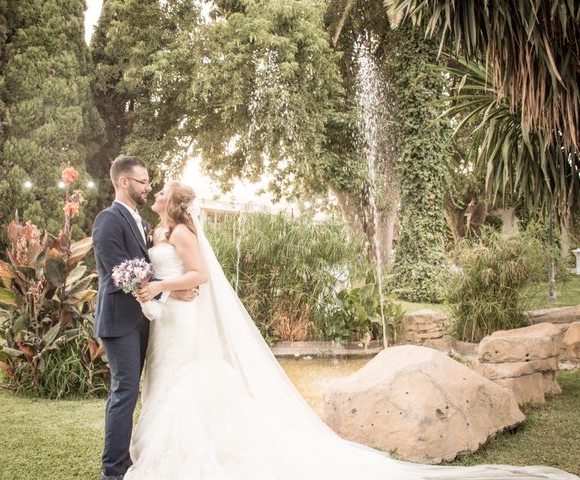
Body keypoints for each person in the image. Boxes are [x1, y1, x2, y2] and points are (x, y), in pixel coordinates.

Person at [125, 180, 578, 480]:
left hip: (183, 321)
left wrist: (161, 284)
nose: (158, 193)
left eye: (163, 190)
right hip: (170, 320)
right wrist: (152, 286)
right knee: (171, 379)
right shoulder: (160, 233)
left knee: (191, 380)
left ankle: (190, 454)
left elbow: (200, 275)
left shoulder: (182, 233)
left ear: (176, 203)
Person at [92, 156, 195, 480]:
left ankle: (133, 456)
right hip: (118, 320)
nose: (148, 188)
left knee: (138, 390)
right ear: (124, 182)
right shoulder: (108, 220)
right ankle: (113, 470)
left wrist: (166, 289)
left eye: (150, 183)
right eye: (143, 182)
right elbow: (120, 273)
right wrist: (168, 292)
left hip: (143, 320)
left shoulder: (144, 223)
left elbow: (149, 271)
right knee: (125, 391)